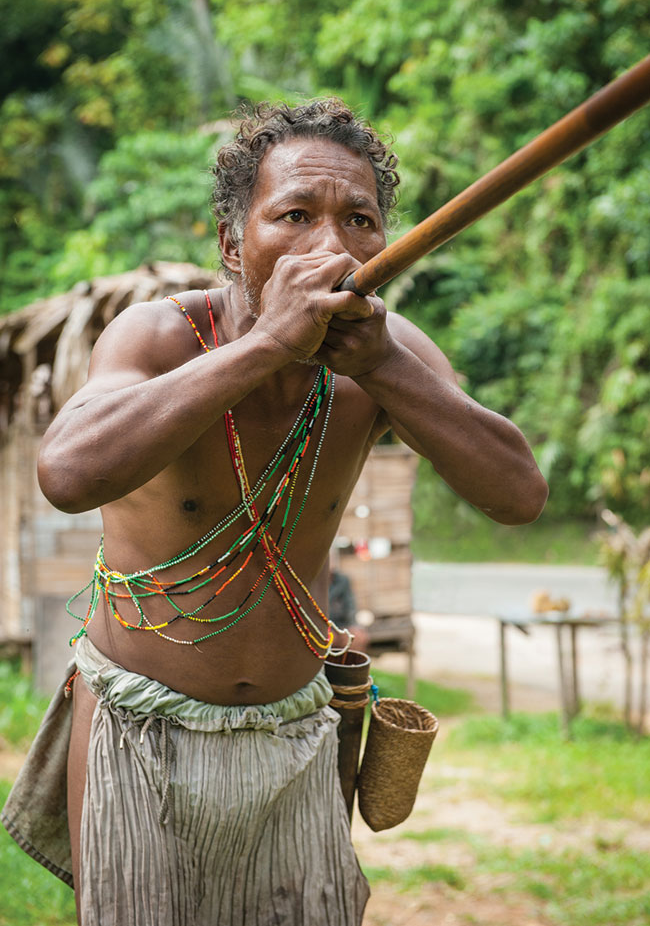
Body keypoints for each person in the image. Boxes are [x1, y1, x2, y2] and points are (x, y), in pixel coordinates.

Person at [1, 98, 548, 925]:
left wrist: (388, 369)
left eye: (359, 219)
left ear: (386, 247)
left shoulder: (385, 353)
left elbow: (519, 494)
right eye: (294, 214)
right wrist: (266, 347)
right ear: (232, 244)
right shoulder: (159, 336)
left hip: (300, 734)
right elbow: (68, 472)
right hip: (140, 732)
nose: (329, 246)